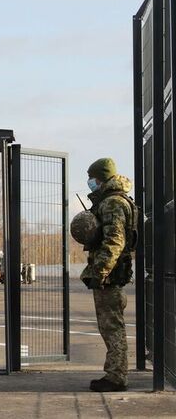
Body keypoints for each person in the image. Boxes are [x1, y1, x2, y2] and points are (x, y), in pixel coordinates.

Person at [80, 157, 137, 392]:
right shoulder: (115, 199)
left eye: (92, 178)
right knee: (112, 326)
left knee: (112, 327)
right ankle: (116, 373)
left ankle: (116, 377)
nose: (89, 182)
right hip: (112, 273)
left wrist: (100, 271)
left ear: (101, 178)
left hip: (110, 275)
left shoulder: (113, 202)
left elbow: (115, 241)